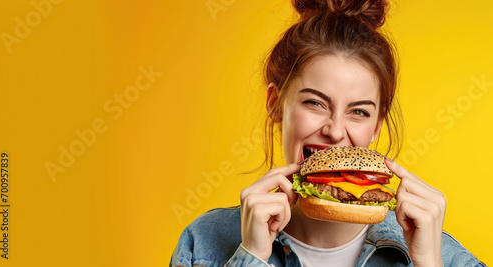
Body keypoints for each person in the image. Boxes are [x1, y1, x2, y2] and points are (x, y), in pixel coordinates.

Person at [170, 0, 485, 266]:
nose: (335, 131)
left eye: (358, 111)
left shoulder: (447, 257)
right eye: (315, 103)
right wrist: (251, 257)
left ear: (376, 126)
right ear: (275, 104)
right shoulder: (204, 243)